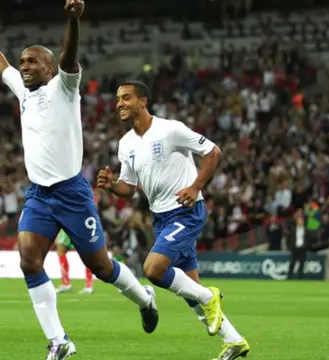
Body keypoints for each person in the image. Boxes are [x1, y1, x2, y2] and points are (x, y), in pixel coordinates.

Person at [0, 1, 158, 358]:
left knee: (101, 267)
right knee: (29, 261)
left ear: (49, 66)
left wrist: (73, 22)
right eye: (23, 61)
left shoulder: (64, 86)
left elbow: (69, 56)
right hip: (39, 195)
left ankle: (143, 298)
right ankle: (59, 341)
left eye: (32, 62)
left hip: (72, 192)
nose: (24, 67)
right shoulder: (22, 91)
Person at [97, 80, 250, 360]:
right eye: (118, 99)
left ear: (143, 102)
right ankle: (234, 341)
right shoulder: (125, 144)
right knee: (190, 292)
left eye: (127, 98)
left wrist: (196, 186)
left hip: (186, 212)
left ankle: (209, 296)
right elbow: (130, 188)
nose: (119, 103)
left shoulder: (170, 129)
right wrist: (112, 185)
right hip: (162, 218)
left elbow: (213, 152)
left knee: (153, 270)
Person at [55, 229, 94, 295]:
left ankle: (88, 286)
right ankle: (66, 283)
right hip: (68, 226)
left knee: (87, 253)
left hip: (76, 225)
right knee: (61, 249)